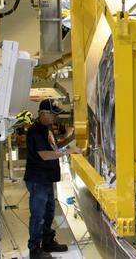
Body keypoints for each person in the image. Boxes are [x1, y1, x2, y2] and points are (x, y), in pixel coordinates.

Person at [24, 99, 82, 259]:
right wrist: (68, 151)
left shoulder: (46, 129)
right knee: (38, 215)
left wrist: (70, 139)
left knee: (49, 212)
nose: (55, 117)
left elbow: (54, 147)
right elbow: (45, 154)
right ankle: (34, 250)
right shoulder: (35, 131)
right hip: (38, 180)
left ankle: (47, 242)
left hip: (46, 179)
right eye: (53, 114)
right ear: (43, 114)